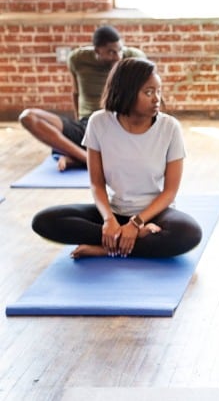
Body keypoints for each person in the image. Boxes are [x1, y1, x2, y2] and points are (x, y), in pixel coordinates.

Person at [31, 58, 202, 259]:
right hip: (114, 212)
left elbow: (170, 192)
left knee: (189, 233)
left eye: (158, 91)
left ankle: (105, 248)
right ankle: (129, 240)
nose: (156, 98)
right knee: (44, 221)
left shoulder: (170, 127)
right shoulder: (99, 122)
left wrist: (136, 223)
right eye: (148, 92)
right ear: (126, 92)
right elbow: (96, 184)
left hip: (155, 214)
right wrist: (108, 221)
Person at [18, 25, 146, 171]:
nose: (117, 56)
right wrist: (78, 121)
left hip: (119, 124)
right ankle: (87, 159)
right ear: (97, 50)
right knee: (27, 117)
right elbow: (75, 92)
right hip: (88, 125)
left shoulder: (134, 58)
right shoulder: (77, 59)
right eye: (110, 52)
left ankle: (77, 158)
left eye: (119, 50)